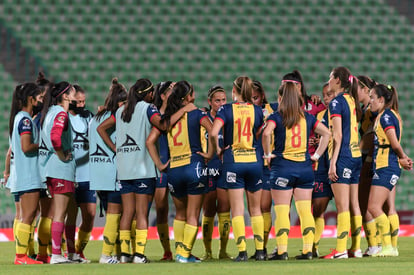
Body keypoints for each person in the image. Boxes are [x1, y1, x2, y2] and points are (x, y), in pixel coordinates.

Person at [98, 78, 191, 263]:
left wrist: (115, 148)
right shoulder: (148, 109)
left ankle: (124, 255)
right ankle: (139, 255)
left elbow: (101, 128)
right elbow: (163, 125)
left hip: (123, 170)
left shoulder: (121, 110)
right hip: (143, 169)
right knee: (141, 214)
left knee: (127, 213)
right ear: (149, 94)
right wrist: (182, 110)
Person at [146, 80, 213, 263]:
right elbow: (213, 132)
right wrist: (211, 152)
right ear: (186, 97)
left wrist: (160, 165)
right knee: (193, 215)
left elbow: (150, 141)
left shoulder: (167, 118)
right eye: (191, 93)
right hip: (193, 166)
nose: (194, 96)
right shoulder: (198, 113)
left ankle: (180, 252)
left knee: (180, 214)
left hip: (174, 169)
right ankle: (184, 253)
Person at [263, 82, 330, 260]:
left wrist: (267, 154)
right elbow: (327, 134)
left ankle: (282, 250)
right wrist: (316, 156)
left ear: (281, 98)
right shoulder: (308, 118)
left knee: (282, 210)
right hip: (305, 169)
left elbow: (266, 133)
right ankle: (308, 250)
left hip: (283, 168)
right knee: (305, 211)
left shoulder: (276, 117)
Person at [211, 76, 265, 261]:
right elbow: (261, 132)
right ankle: (260, 251)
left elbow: (213, 132)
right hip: (254, 162)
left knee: (237, 209)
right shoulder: (257, 110)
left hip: (234, 162)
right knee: (256, 209)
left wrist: (217, 149)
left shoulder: (226, 109)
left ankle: (242, 251)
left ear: (234, 91)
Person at [322, 67, 363, 259]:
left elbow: (337, 135)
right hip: (356, 156)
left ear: (337, 80)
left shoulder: (336, 102)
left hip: (343, 156)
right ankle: (355, 248)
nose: (328, 81)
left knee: (343, 207)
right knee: (354, 205)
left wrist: (332, 163)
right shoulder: (351, 100)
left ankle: (340, 250)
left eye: (331, 77)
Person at [367, 84, 412, 256]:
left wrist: (402, 157)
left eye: (372, 97)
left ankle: (386, 247)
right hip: (388, 165)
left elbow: (393, 142)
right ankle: (392, 246)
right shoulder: (390, 114)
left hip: (386, 165)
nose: (370, 101)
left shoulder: (385, 117)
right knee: (388, 207)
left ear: (381, 99)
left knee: (374, 207)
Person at [38, 81, 80, 264]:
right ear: (65, 96)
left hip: (51, 168)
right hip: (60, 168)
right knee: (60, 213)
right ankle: (55, 254)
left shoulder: (50, 113)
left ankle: (56, 253)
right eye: (72, 92)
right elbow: (56, 138)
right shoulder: (61, 113)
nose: (75, 95)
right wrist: (62, 155)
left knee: (57, 212)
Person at [89, 78, 127, 264]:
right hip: (112, 173)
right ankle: (106, 254)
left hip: (97, 173)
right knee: (114, 215)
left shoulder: (95, 117)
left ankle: (116, 254)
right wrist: (114, 148)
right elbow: (102, 131)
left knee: (114, 216)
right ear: (119, 102)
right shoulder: (115, 117)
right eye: (125, 102)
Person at [9, 83, 44, 265]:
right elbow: (26, 146)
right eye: (39, 98)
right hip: (28, 174)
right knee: (28, 215)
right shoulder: (25, 120)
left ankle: (22, 255)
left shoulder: (19, 118)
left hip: (23, 173)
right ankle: (21, 257)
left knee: (28, 214)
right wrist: (44, 145)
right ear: (30, 99)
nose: (41, 101)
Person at [200, 85, 231, 260]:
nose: (221, 104)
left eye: (223, 100)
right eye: (217, 100)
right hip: (207, 168)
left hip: (225, 167)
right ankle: (208, 251)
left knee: (225, 209)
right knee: (209, 210)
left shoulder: (228, 118)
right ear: (210, 102)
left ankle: (223, 250)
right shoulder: (202, 118)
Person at [251, 80, 278, 259]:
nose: (253, 100)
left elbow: (296, 102)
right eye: (250, 97)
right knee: (257, 208)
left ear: (262, 96)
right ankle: (259, 247)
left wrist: (311, 99)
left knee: (265, 207)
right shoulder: (243, 112)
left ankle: (265, 247)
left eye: (256, 97)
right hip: (252, 163)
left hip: (269, 164)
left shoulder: (273, 109)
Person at [68, 84, 95, 262]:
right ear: (70, 101)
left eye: (84, 101)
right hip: (70, 175)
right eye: (78, 102)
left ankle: (79, 249)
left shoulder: (88, 118)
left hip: (88, 175)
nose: (82, 105)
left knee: (90, 215)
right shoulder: (63, 118)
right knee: (69, 216)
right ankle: (69, 251)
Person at [356, 75, 381, 256]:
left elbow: (372, 135)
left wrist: (366, 157)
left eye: (356, 88)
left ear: (365, 89)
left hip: (371, 159)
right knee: (373, 205)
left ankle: (376, 244)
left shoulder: (372, 111)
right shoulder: (365, 109)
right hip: (376, 159)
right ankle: (382, 244)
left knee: (365, 204)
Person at [311, 83, 335, 258]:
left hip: (337, 164)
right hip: (319, 167)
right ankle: (312, 246)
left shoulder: (343, 112)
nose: (326, 99)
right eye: (324, 96)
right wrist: (314, 142)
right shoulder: (319, 114)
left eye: (329, 95)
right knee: (316, 209)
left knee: (321, 208)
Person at [152, 81, 174, 261]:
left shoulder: (177, 112)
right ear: (163, 95)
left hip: (175, 164)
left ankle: (179, 250)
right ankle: (166, 250)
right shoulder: (154, 115)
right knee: (160, 208)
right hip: (159, 166)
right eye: (171, 91)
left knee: (181, 208)